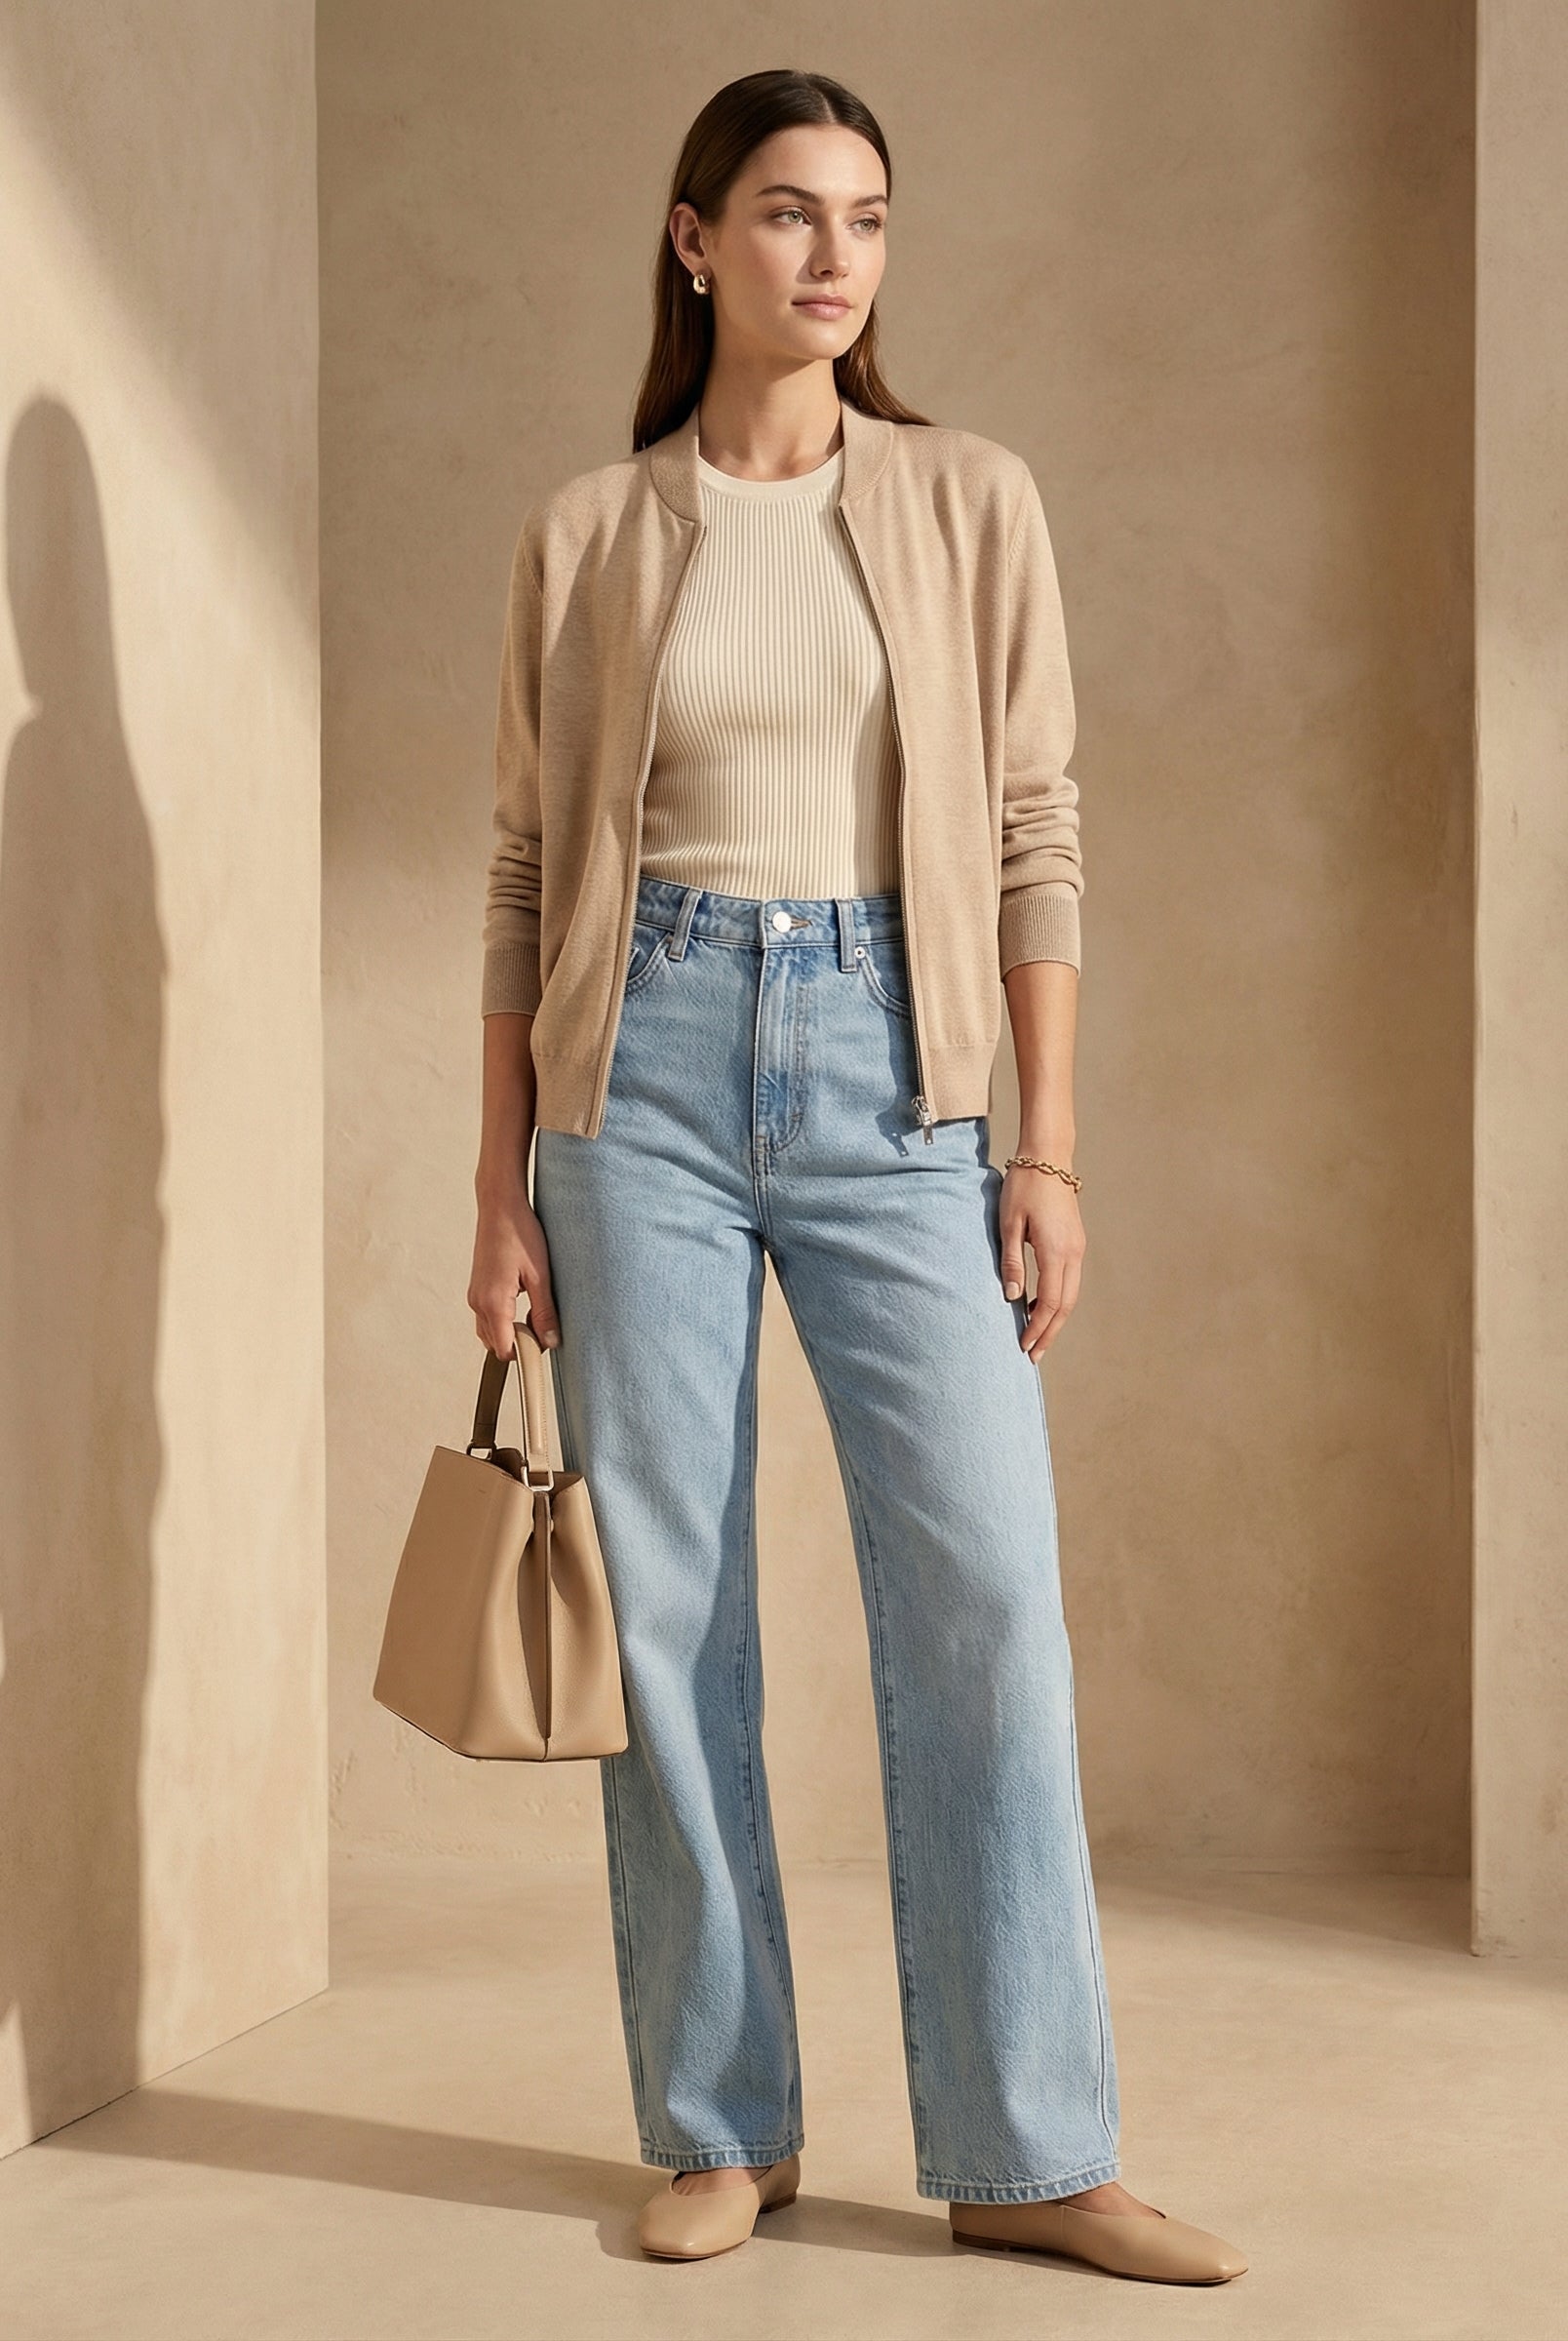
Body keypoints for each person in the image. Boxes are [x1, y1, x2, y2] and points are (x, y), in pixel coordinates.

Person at [467, 67, 1247, 2286]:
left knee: (986, 1596)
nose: (836, 258)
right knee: (681, 1611)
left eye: (872, 221)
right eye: (791, 215)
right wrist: (501, 1193)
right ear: (693, 239)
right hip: (652, 1089)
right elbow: (525, 886)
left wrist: (1045, 1144)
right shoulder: (589, 535)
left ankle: (1029, 2150)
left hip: (908, 1079)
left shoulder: (969, 500)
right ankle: (726, 2122)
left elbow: (1035, 829)